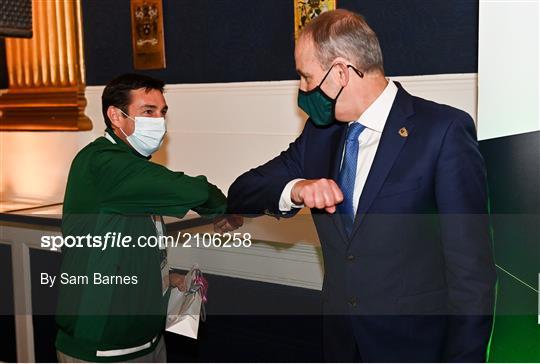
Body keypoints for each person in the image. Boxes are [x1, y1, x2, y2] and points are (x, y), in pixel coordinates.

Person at [227, 9, 496, 362]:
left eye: (306, 78)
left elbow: (471, 275)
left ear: (340, 72)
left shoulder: (442, 132)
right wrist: (296, 189)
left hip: (416, 350)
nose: (304, 90)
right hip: (341, 346)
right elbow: (242, 191)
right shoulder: (319, 136)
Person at [55, 73, 241, 362]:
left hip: (146, 341)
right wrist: (225, 211)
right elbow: (196, 190)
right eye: (148, 112)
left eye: (162, 112)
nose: (159, 121)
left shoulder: (131, 168)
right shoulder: (104, 163)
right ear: (116, 116)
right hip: (103, 347)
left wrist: (168, 278)